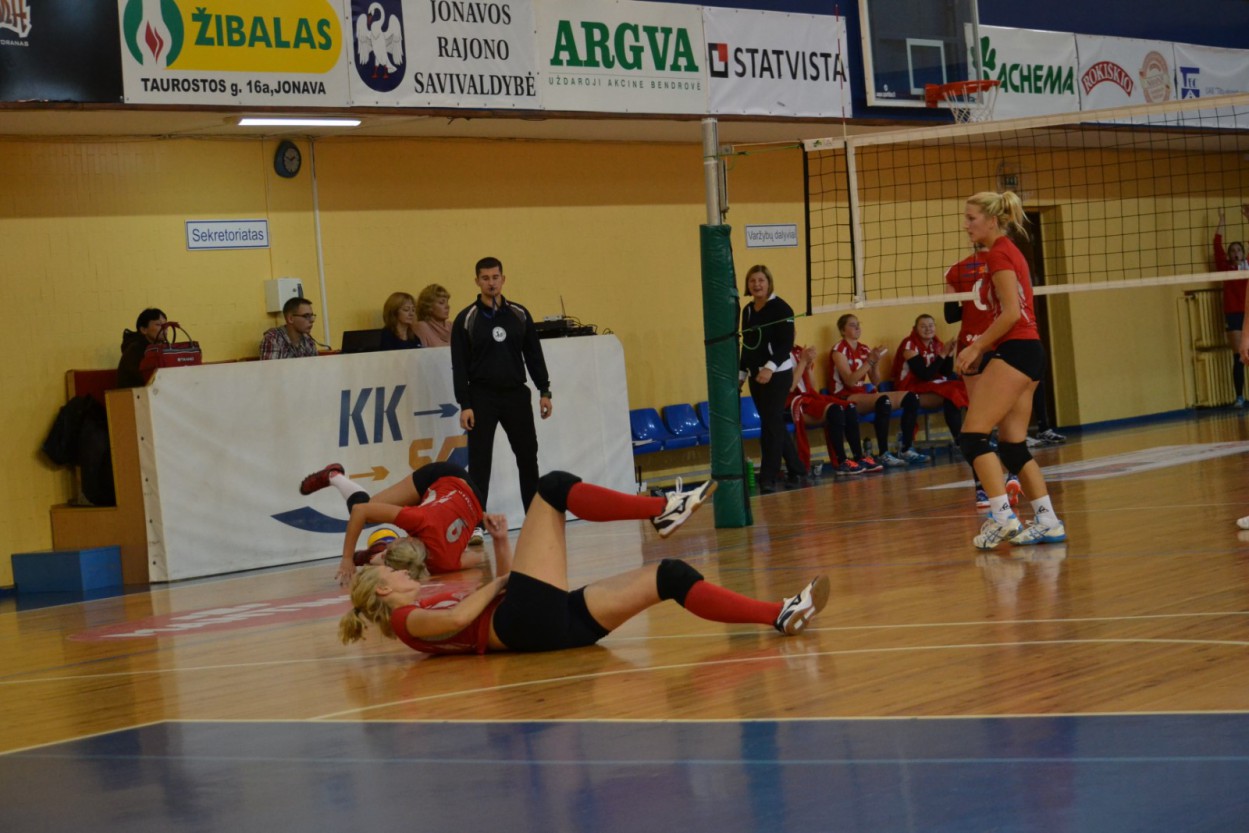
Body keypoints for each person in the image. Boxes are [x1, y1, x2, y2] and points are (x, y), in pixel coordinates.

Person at [338, 470, 829, 655]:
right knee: (552, 488)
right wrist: (502, 583)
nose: (401, 571)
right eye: (391, 571)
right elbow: (461, 618)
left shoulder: (418, 610)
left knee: (670, 576)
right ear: (382, 590)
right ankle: (660, 508)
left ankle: (780, 613)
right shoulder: (405, 621)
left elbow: (484, 601)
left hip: (539, 627)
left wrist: (503, 547)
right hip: (522, 621)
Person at [954, 190, 1065, 549]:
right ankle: (1048, 521)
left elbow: (1012, 314)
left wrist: (976, 345)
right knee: (1013, 446)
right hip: (1029, 351)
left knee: (973, 437)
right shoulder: (1006, 251)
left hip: (1017, 350)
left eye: (971, 218)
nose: (966, 225)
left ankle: (1002, 517)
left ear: (991, 220)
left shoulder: (999, 254)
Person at [450, 257, 552, 512]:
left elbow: (534, 355)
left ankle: (534, 516)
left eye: (495, 277)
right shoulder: (466, 318)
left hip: (516, 395)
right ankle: (476, 522)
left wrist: (544, 390)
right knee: (479, 462)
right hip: (481, 396)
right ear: (477, 281)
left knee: (528, 456)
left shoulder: (519, 314)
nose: (491, 283)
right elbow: (459, 365)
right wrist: (465, 404)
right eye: (485, 278)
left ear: (503, 279)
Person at [300, 461, 490, 587]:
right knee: (367, 509)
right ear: (410, 540)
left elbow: (478, 558)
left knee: (394, 554)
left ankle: (370, 556)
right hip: (445, 477)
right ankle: (334, 475)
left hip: (474, 503)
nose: (394, 539)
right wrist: (347, 558)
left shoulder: (446, 563)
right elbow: (360, 510)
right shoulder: (418, 520)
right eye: (393, 544)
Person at [945, 250, 1024, 510]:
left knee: (977, 422)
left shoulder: (955, 270)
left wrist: (969, 306)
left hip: (970, 344)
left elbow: (950, 315)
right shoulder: (1006, 261)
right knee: (1007, 415)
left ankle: (982, 490)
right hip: (997, 341)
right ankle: (1013, 474)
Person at [739, 265, 808, 493]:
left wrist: (769, 368)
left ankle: (768, 476)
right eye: (752, 281)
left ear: (769, 282)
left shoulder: (782, 308)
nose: (757, 285)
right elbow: (748, 345)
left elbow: (785, 344)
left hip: (777, 375)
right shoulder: (748, 310)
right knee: (773, 423)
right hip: (756, 375)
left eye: (761, 280)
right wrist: (742, 373)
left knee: (770, 425)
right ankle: (797, 469)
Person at [828, 314, 928, 467]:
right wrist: (870, 361)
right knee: (883, 401)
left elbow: (876, 381)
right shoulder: (838, 350)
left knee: (911, 398)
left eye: (858, 324)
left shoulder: (864, 348)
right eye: (852, 325)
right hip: (843, 397)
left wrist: (875, 363)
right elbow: (850, 380)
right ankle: (883, 453)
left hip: (862, 394)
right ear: (842, 330)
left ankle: (906, 449)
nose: (857, 327)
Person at [788, 344, 882, 475]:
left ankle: (859, 457)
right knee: (835, 411)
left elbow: (812, 389)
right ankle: (841, 461)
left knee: (849, 407)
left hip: (810, 397)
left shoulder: (799, 351)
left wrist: (808, 368)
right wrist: (803, 362)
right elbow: (790, 387)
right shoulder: (779, 356)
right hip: (791, 402)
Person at [1215, 206, 1249, 407]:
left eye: (1239, 250)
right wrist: (1221, 222)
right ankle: (1239, 397)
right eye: (1232, 251)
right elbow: (1216, 245)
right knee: (1239, 356)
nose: (1236, 253)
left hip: (1248, 313)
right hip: (1234, 314)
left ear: (1243, 253)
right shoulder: (1224, 267)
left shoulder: (1248, 265)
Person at [116, 307, 167, 388]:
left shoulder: (164, 347)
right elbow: (146, 379)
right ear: (143, 330)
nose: (165, 328)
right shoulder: (134, 350)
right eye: (158, 324)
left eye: (166, 324)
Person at [413, 283, 452, 347]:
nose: (447, 306)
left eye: (447, 302)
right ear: (428, 306)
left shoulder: (452, 326)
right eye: (441, 303)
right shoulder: (422, 327)